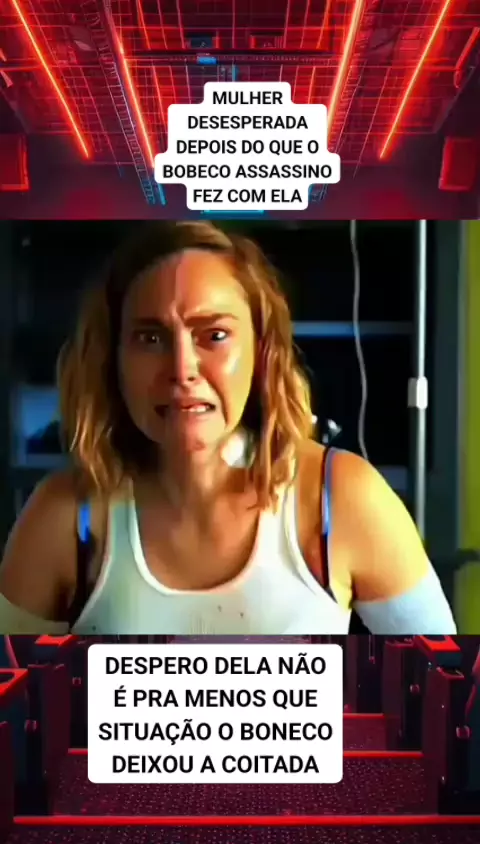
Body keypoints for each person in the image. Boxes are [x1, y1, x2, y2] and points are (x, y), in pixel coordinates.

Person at [0, 221, 456, 634]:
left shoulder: (342, 499)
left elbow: (447, 687)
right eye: (151, 338)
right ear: (112, 360)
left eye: (214, 335)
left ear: (262, 353)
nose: (182, 369)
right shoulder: (64, 519)